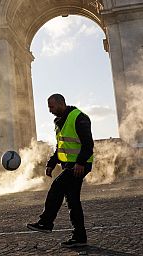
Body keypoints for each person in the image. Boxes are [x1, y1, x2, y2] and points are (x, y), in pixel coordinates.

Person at [27, 94, 94, 248]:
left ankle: (46, 222)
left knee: (57, 186)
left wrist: (80, 162)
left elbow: (88, 144)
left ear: (61, 103)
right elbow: (61, 147)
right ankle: (80, 236)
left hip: (79, 166)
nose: (50, 110)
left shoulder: (79, 117)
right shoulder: (59, 122)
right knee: (72, 201)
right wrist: (51, 163)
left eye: (52, 107)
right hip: (69, 165)